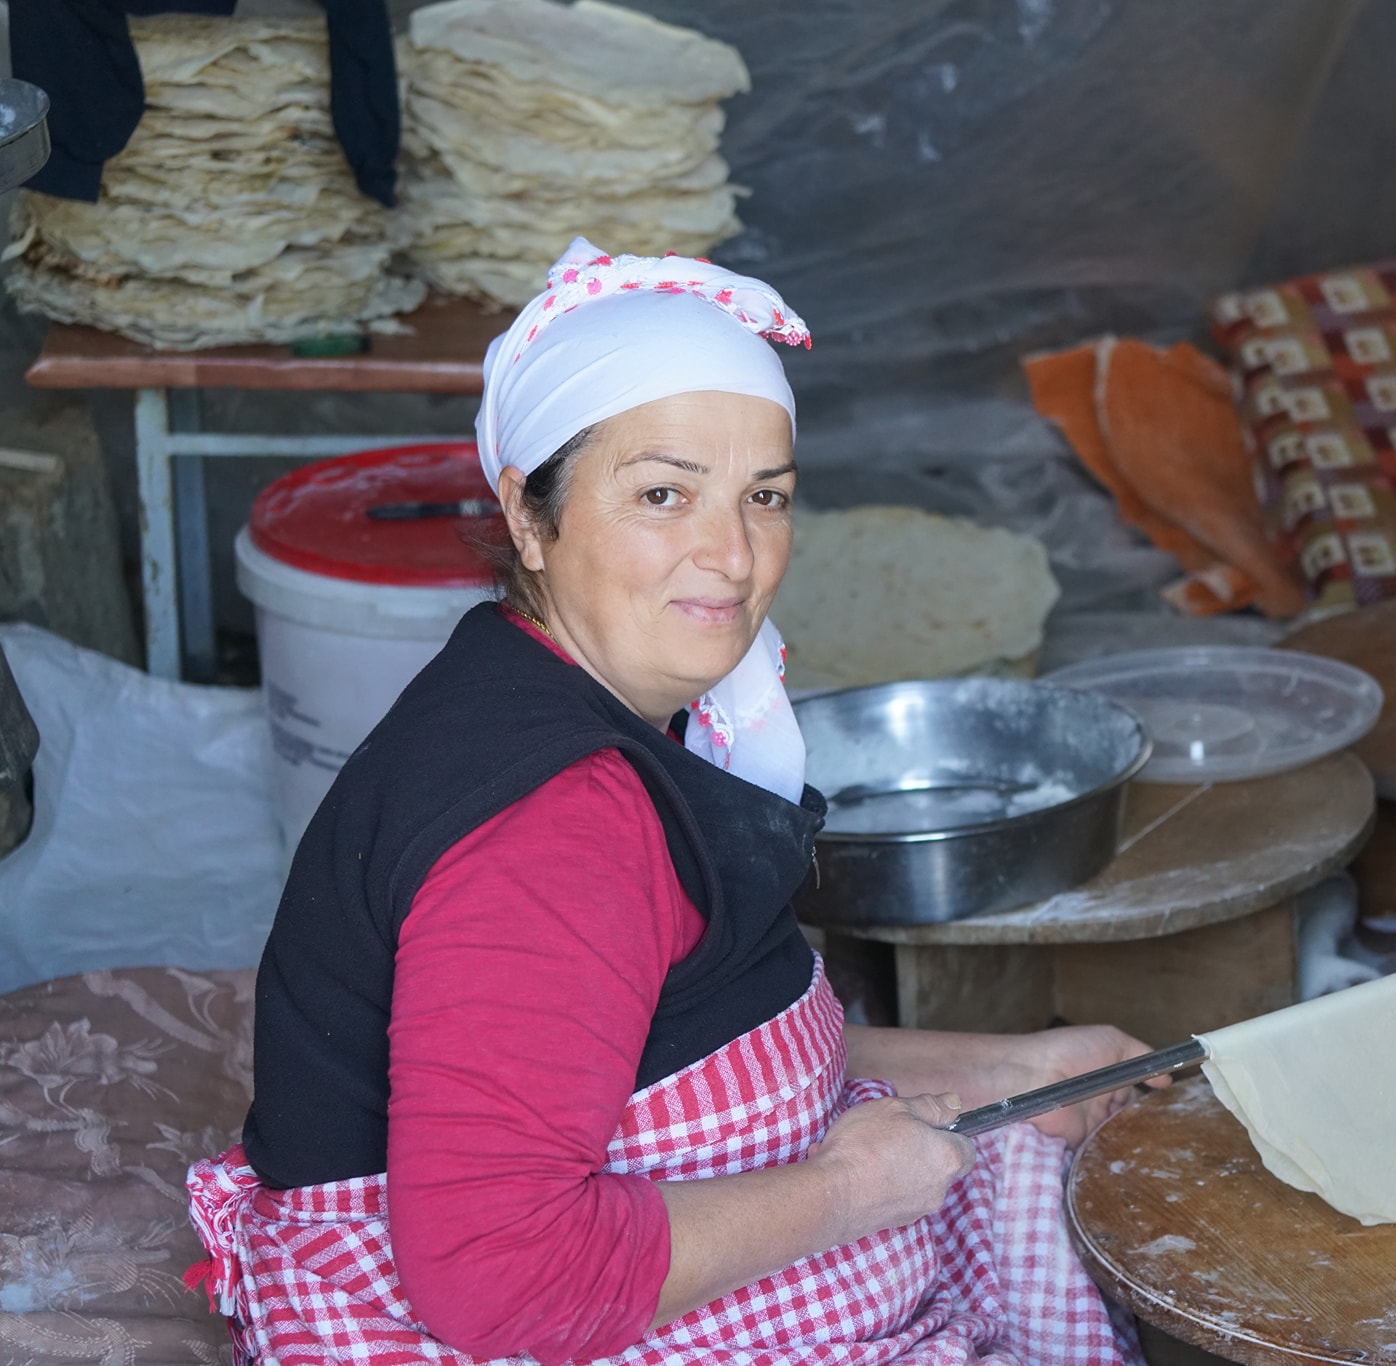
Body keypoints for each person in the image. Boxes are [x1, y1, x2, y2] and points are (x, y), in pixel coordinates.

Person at [187, 239, 1153, 1365]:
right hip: (501, 1323)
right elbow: (499, 1277)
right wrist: (846, 1188)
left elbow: (685, 1046)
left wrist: (1013, 1068)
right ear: (529, 516)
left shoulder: (564, 689)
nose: (732, 556)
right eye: (662, 494)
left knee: (1028, 1165)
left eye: (765, 497)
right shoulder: (552, 828)